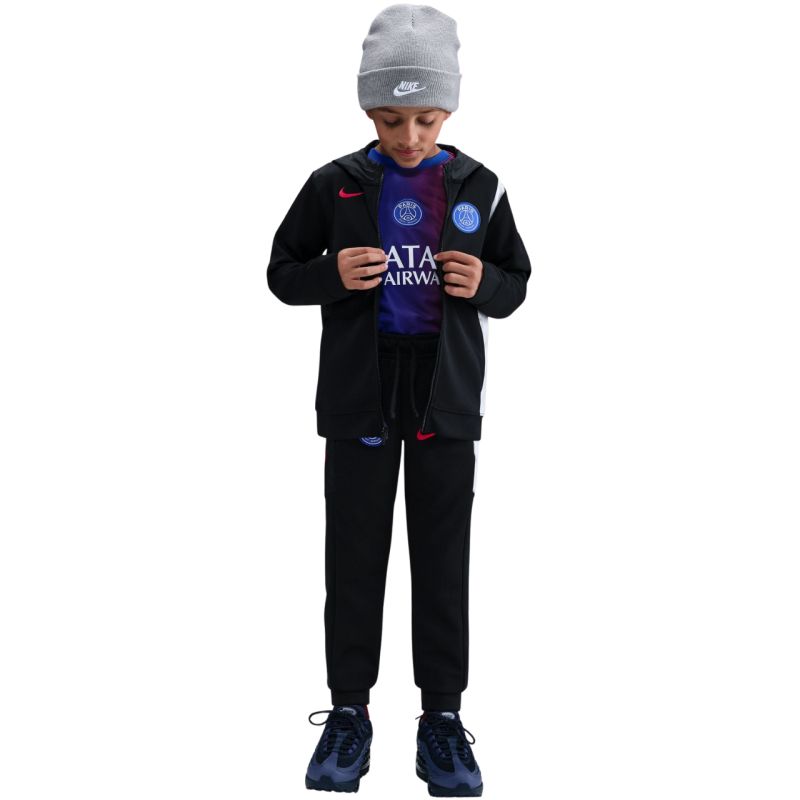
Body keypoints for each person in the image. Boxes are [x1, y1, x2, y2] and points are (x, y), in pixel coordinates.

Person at [267, 4, 531, 795]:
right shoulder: (335, 184)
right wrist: (330, 275)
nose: (408, 135)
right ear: (367, 110)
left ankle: (442, 720)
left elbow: (517, 282)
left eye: (426, 118)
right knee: (353, 557)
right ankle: (348, 713)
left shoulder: (480, 186)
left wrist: (486, 285)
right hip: (361, 397)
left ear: (449, 109)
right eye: (389, 119)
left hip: (444, 399)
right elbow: (282, 271)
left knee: (443, 561)